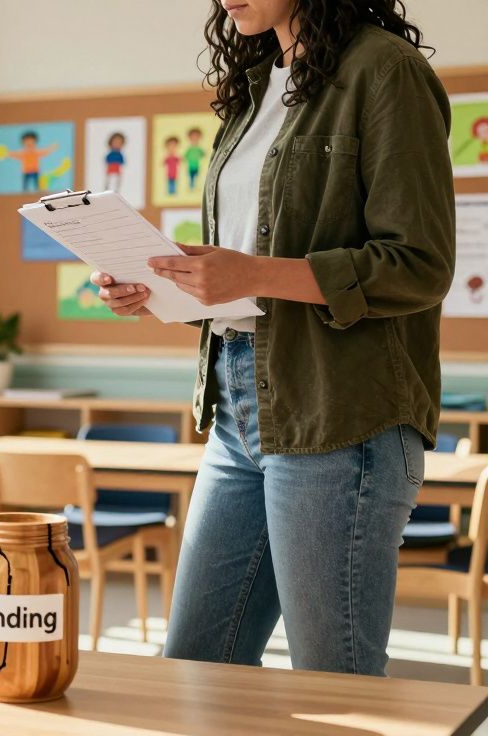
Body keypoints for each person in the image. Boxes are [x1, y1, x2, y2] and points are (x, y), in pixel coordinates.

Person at [92, 0, 454, 676]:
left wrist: (252, 272)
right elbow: (253, 281)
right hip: (236, 411)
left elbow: (420, 265)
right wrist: (169, 286)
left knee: (333, 678)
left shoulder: (385, 70)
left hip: (339, 414)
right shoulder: (256, 84)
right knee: (195, 669)